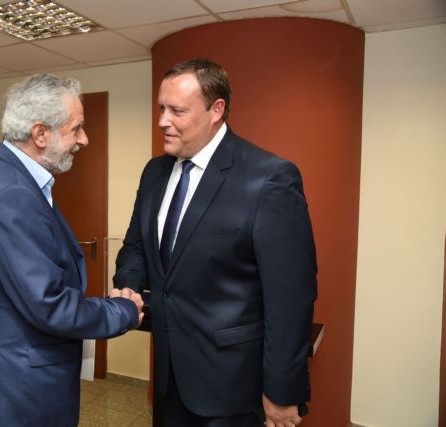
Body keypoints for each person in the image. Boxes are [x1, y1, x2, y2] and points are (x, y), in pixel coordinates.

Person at [114, 58, 317, 427]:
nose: (163, 121)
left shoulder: (268, 178)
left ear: (216, 110)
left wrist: (283, 389)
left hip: (232, 387)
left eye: (177, 110)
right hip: (169, 378)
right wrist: (128, 285)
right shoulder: (155, 172)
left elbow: (291, 297)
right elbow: (136, 247)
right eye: (161, 108)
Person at [0, 73, 144, 427]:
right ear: (40, 133)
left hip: (16, 377)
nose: (84, 140)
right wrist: (122, 311)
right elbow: (50, 305)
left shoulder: (5, 174)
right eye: (77, 129)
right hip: (19, 390)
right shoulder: (12, 194)